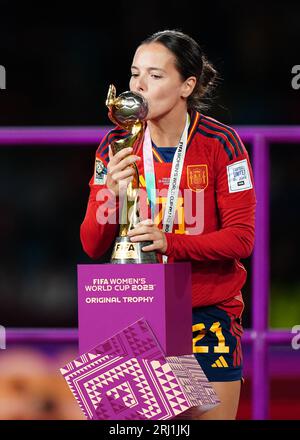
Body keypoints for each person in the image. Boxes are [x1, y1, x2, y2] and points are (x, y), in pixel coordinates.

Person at [80, 30, 256, 420]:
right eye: (134, 74)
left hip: (204, 314)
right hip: (134, 309)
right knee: (137, 427)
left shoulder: (221, 143)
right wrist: (109, 192)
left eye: (155, 76)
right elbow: (92, 245)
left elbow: (242, 239)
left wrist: (169, 242)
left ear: (186, 85)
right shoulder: (115, 144)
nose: (139, 86)